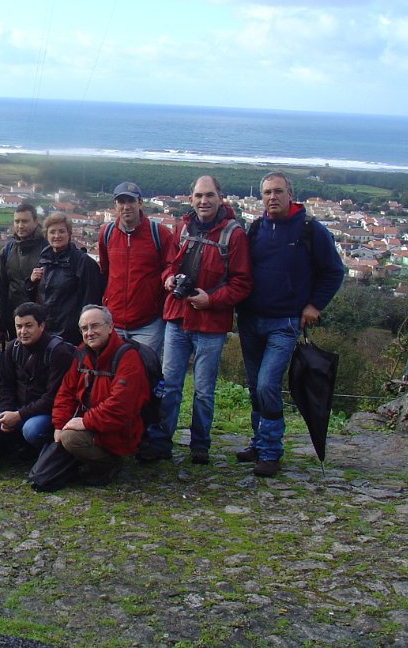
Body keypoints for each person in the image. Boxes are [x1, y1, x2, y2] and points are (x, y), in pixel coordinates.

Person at [137, 175, 252, 465]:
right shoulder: (183, 227)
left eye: (209, 195)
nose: (204, 201)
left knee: (203, 390)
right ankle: (161, 441)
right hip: (177, 317)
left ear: (220, 198)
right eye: (199, 196)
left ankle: (200, 445)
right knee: (169, 385)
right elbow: (169, 264)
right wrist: (168, 279)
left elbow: (242, 283)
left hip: (211, 324)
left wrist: (211, 300)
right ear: (191, 199)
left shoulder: (233, 234)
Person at [236, 172, 344, 477]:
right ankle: (259, 442)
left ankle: (271, 451)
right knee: (255, 387)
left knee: (267, 384)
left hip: (284, 322)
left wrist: (314, 305)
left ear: (290, 195)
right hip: (250, 319)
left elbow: (334, 271)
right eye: (267, 192)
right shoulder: (255, 229)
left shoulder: (310, 230)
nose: (272, 197)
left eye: (278, 191)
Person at [50, 305, 151, 485]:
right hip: (91, 422)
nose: (89, 333)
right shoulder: (82, 353)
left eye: (95, 326)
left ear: (110, 327)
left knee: (70, 438)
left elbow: (121, 406)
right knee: (49, 431)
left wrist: (85, 422)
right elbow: (66, 392)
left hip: (118, 431)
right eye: (84, 328)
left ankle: (110, 463)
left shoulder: (127, 357)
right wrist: (59, 424)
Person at [98, 182, 174, 356]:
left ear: (140, 202)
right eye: (121, 201)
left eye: (131, 201)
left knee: (143, 369)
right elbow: (105, 271)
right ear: (115, 205)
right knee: (112, 369)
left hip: (148, 324)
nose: (126, 206)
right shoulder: (106, 233)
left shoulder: (159, 233)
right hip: (113, 322)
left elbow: (170, 267)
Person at [0, 302, 75, 451]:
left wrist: (19, 415)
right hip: (18, 407)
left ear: (41, 326)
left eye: (28, 326)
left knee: (31, 430)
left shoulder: (58, 352)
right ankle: (17, 444)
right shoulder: (12, 348)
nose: (23, 331)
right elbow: (6, 385)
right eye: (19, 326)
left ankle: (42, 449)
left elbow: (53, 397)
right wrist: (7, 411)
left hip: (46, 412)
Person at [28, 212, 103, 346]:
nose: (57, 236)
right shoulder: (44, 260)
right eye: (52, 232)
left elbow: (90, 301)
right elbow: (36, 299)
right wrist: (31, 282)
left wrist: (84, 332)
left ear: (69, 234)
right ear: (46, 235)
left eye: (61, 231)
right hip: (46, 333)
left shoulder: (82, 262)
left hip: (72, 335)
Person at [0, 204, 45, 341]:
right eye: (17, 221)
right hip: (14, 320)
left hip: (40, 320)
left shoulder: (46, 248)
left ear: (35, 221)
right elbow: (0, 289)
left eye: (25, 221)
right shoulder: (7, 250)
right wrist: (1, 324)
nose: (20, 226)